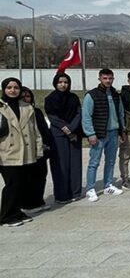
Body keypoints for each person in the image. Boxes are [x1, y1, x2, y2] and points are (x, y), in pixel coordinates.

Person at [0, 78, 43, 227]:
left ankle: (16, 211)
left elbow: (35, 130)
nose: (13, 90)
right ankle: (6, 216)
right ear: (4, 89)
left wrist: (38, 149)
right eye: (9, 87)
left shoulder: (27, 107)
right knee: (12, 184)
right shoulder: (0, 107)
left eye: (16, 87)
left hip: (26, 151)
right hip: (7, 152)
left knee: (22, 184)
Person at [82, 69, 125, 202]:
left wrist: (122, 131)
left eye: (110, 78)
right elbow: (86, 116)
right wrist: (90, 134)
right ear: (99, 79)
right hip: (99, 134)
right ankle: (90, 189)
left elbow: (121, 113)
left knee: (111, 161)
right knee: (94, 162)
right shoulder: (92, 95)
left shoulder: (116, 95)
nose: (108, 81)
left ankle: (108, 185)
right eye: (105, 78)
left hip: (113, 133)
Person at [44, 73, 82, 204]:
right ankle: (61, 195)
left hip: (74, 134)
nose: (63, 84)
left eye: (65, 82)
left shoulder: (73, 97)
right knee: (60, 165)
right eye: (60, 82)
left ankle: (75, 192)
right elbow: (52, 116)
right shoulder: (50, 98)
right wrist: (65, 128)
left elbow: (78, 113)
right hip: (58, 135)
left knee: (75, 165)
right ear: (55, 83)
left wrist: (71, 128)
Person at [19, 87, 52, 214]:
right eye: (23, 97)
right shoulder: (18, 112)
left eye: (28, 96)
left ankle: (38, 200)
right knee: (29, 178)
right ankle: (27, 203)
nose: (26, 99)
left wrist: (46, 144)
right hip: (27, 150)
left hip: (40, 149)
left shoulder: (36, 111)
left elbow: (43, 129)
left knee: (41, 175)